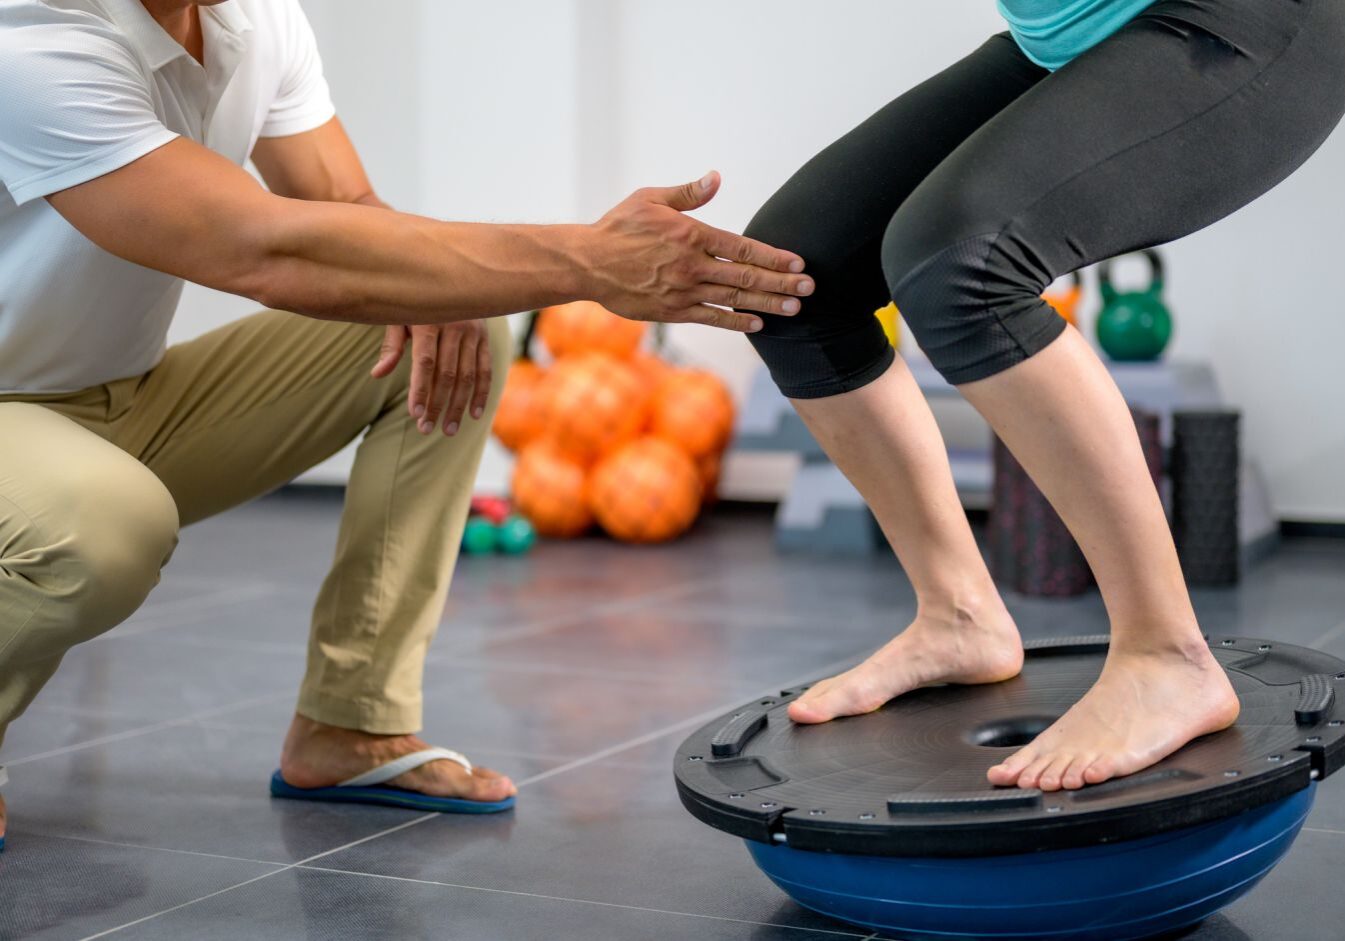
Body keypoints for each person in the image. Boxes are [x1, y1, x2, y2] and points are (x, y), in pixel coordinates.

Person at [0, 0, 815, 848]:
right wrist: (588, 259)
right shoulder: (32, 40)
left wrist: (460, 288)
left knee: (455, 326)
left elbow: (346, 201)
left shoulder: (251, 19)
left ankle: (351, 723)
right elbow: (256, 248)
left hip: (121, 396)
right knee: (102, 525)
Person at [743, 0, 1345, 792]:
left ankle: (1167, 656)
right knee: (787, 280)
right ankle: (957, 616)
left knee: (963, 263)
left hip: (1246, 16)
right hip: (1063, 39)